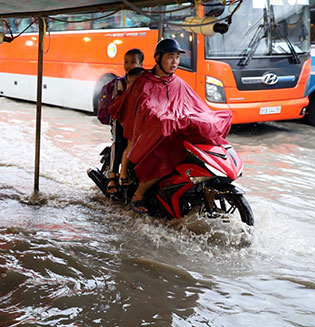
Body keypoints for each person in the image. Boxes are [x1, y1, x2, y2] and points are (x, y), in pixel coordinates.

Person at [112, 38, 232, 214]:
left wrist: (202, 118)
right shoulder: (145, 82)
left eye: (177, 57)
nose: (174, 62)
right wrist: (165, 120)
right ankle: (139, 195)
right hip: (155, 135)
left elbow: (195, 105)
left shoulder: (178, 82)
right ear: (158, 58)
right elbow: (148, 109)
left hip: (176, 131)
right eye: (170, 57)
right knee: (167, 157)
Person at [96, 48, 144, 194]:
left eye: (132, 62)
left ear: (141, 64)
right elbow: (119, 105)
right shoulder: (121, 83)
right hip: (120, 120)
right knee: (119, 143)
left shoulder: (144, 81)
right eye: (126, 62)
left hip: (136, 121)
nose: (128, 65)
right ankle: (112, 177)